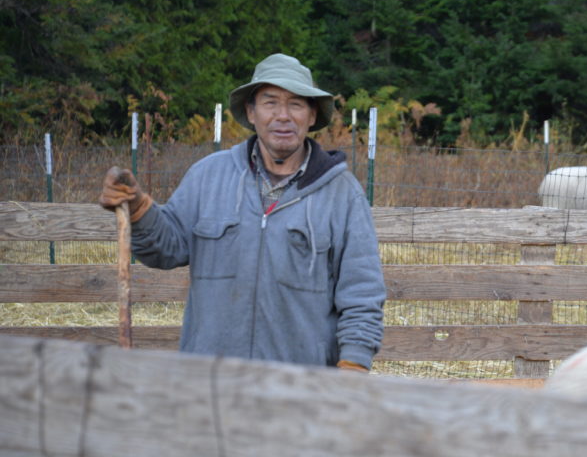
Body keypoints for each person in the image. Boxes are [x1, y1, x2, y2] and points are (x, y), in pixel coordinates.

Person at [99, 53, 385, 372]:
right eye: (270, 102)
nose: (283, 116)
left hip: (302, 385)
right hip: (210, 378)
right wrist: (139, 210)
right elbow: (166, 249)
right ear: (251, 111)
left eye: (296, 104)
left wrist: (354, 364)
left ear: (311, 114)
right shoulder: (208, 176)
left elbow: (362, 290)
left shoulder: (342, 193)